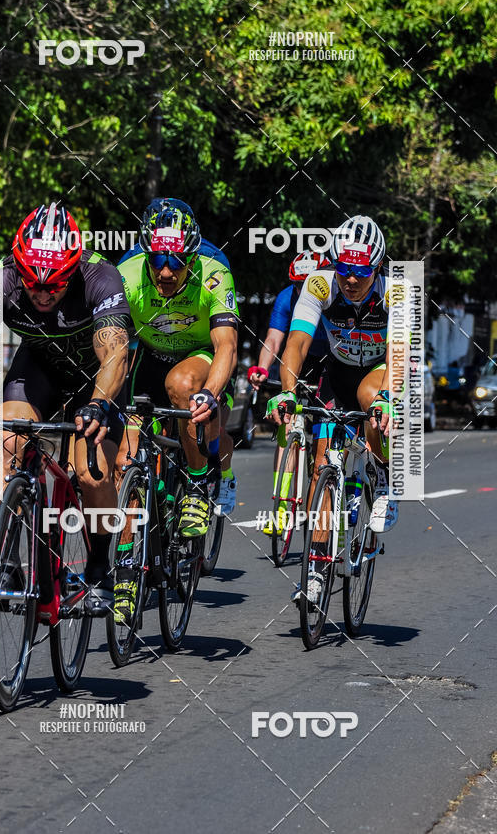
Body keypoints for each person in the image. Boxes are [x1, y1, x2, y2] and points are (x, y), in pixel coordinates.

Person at [0, 202, 130, 618]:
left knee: (92, 474)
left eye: (54, 285)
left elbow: (114, 351)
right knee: (4, 444)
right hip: (38, 368)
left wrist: (98, 403)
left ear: (72, 270)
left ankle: (98, 567)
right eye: (33, 284)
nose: (41, 293)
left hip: (96, 379)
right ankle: (9, 562)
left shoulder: (101, 276)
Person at [114, 197, 239, 622]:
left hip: (200, 358)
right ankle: (127, 571)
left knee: (181, 386)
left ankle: (201, 481)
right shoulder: (127, 274)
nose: (166, 271)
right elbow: (109, 341)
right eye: (158, 260)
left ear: (192, 256)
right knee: (124, 460)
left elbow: (226, 345)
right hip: (149, 357)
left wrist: (210, 394)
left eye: (177, 261)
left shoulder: (215, 272)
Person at [267, 215, 402, 539]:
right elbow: (297, 342)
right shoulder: (320, 283)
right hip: (338, 371)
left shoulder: (396, 290)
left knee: (372, 401)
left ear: (378, 266)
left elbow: (398, 351)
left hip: (379, 370)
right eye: (344, 269)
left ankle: (383, 476)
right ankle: (316, 566)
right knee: (322, 464)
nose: (351, 280)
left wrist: (386, 398)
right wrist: (287, 391)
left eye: (362, 271)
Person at [247, 252, 331, 537]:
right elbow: (274, 339)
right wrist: (261, 367)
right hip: (299, 360)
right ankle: (281, 509)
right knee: (286, 427)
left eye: (308, 282)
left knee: (326, 433)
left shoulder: (332, 293)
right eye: (297, 284)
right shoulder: (287, 298)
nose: (302, 289)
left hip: (330, 361)